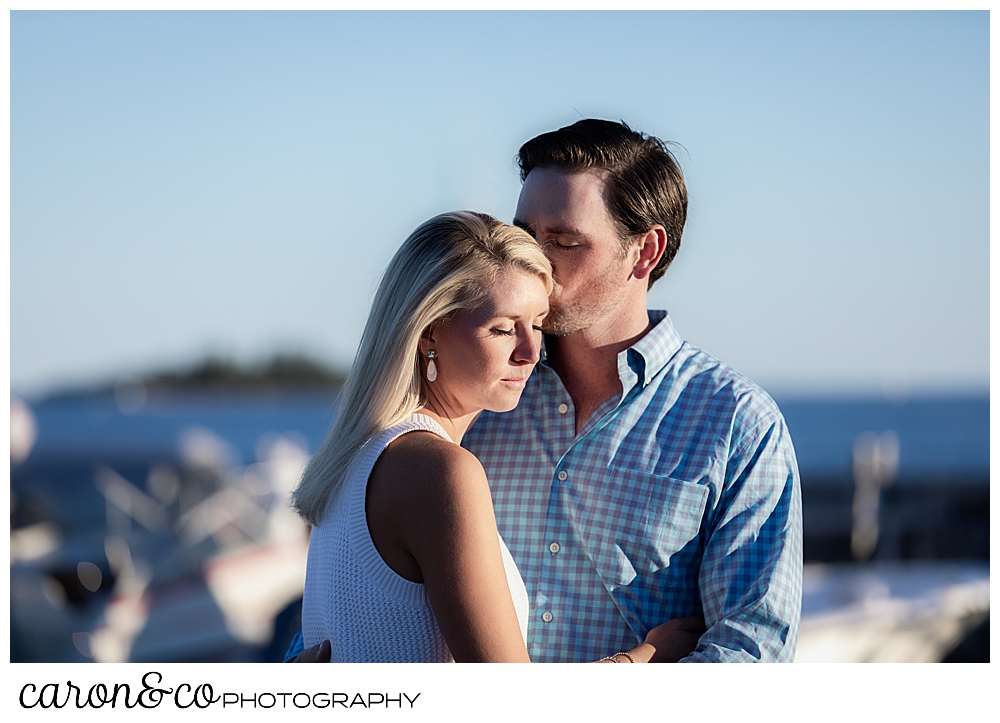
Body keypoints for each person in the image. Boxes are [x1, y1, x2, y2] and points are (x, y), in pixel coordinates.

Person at [461, 119, 803, 662]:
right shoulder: (474, 395)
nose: (532, 264)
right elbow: (371, 573)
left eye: (565, 242)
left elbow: (750, 654)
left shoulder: (737, 421)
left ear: (645, 252)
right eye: (524, 237)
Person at [290, 210, 693, 662]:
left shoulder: (352, 460)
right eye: (502, 329)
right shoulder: (438, 471)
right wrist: (643, 660)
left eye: (537, 324)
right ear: (428, 333)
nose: (530, 352)